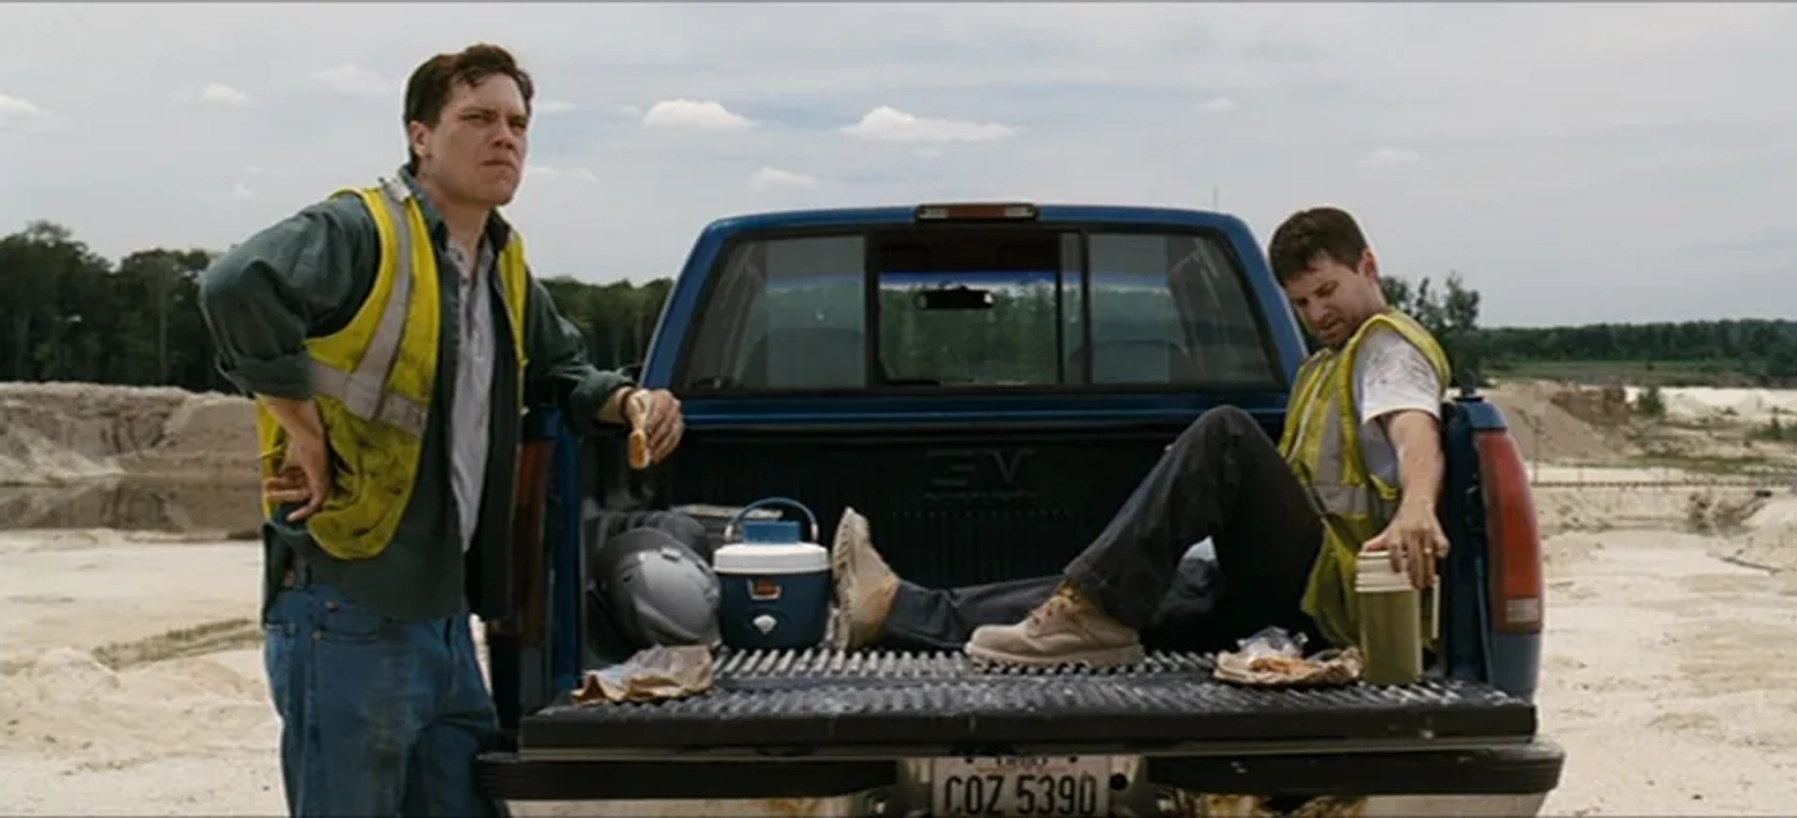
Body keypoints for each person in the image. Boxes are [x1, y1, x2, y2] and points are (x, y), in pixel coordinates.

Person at [197, 43, 687, 817]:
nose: (506, 138)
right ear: (421, 135)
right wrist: (303, 427)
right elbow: (236, 286)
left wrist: (629, 403)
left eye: (519, 124)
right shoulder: (362, 230)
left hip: (444, 611)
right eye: (479, 118)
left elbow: (560, 373)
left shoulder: (500, 260)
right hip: (347, 598)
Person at [829, 206, 1454, 667]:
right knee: (1114, 591)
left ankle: (1084, 614)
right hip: (1299, 591)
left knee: (1226, 434)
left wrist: (1419, 505)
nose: (1318, 313)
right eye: (1301, 302)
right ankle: (897, 607)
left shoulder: (1386, 348)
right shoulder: (1325, 363)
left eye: (1327, 291)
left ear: (1368, 267)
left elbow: (1412, 426)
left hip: (1340, 594)